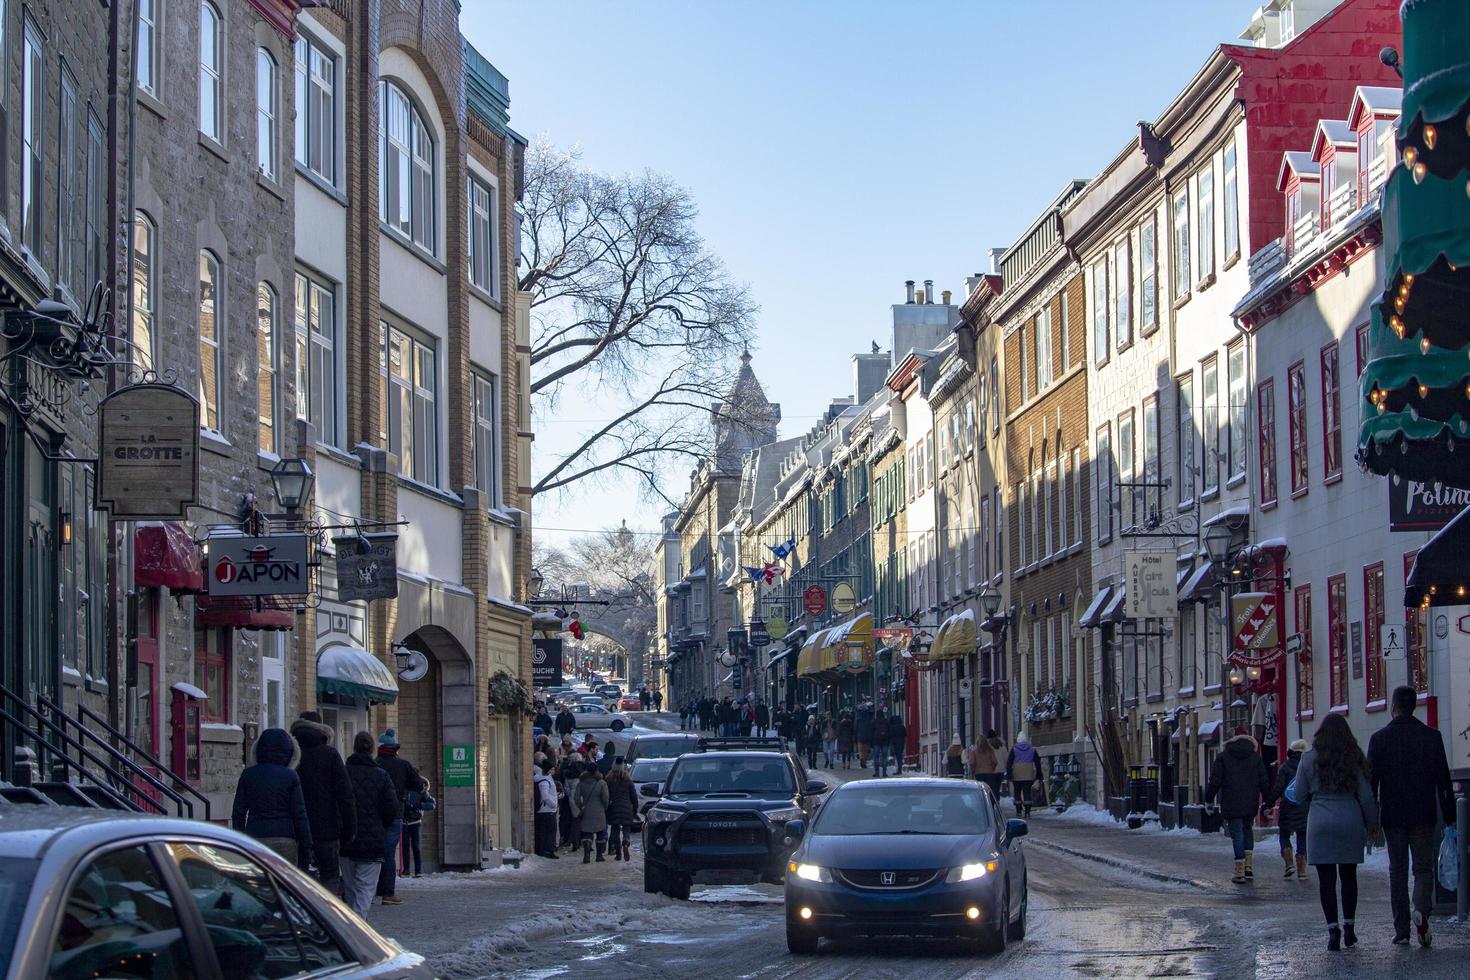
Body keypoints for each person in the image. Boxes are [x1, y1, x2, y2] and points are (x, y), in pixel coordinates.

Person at [1367, 685, 1456, 947]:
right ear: (1414, 706)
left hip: (1393, 815)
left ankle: (1402, 928)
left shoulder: (1380, 739)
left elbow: (1372, 783)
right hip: (1423, 813)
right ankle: (1422, 910)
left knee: (1397, 871)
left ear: (1393, 707)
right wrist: (1450, 816)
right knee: (1422, 868)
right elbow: (1443, 781)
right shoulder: (1431, 737)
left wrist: (1371, 819)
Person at [1292, 712, 1379, 951]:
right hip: (1349, 818)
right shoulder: (1354, 757)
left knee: (1326, 881)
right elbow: (1366, 795)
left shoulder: (1308, 759)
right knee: (1349, 876)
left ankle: (1333, 930)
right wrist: (1372, 823)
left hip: (1320, 821)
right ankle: (1350, 926)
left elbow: (1298, 795)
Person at [290, 711, 354, 892]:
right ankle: (326, 915)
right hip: (327, 829)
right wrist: (349, 830)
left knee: (298, 878)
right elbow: (345, 796)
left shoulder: (291, 753)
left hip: (295, 828)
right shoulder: (330, 755)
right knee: (329, 876)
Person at [231, 728, 313, 866]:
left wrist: (240, 838)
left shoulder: (248, 775)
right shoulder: (290, 776)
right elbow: (299, 813)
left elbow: (238, 812)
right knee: (284, 882)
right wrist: (306, 843)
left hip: (255, 836)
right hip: (284, 837)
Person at [340, 731, 400, 915]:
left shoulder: (344, 773)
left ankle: (352, 924)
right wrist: (382, 825)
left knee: (350, 888)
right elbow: (391, 808)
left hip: (347, 838)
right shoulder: (381, 775)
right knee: (366, 888)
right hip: (373, 839)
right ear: (373, 749)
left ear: (354, 747)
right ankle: (358, 927)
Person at [1205, 728, 1271, 884]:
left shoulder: (1223, 757)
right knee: (1248, 829)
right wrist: (1268, 801)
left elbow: (1215, 781)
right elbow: (1264, 780)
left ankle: (1239, 870)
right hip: (1250, 801)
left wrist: (1208, 799)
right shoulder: (1255, 757)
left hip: (1231, 801)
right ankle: (1248, 867)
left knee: (1237, 833)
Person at [375, 730, 424, 906]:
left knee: (374, 852)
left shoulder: (375, 764)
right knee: (388, 852)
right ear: (395, 748)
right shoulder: (403, 765)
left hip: (375, 814)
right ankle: (387, 893)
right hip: (396, 813)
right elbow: (419, 785)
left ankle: (371, 889)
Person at [1266, 739, 1311, 880]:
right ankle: (1302, 870)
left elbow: (1279, 788)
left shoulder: (1285, 767)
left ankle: (1289, 863)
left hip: (1288, 808)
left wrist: (1268, 804)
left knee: (1284, 835)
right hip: (1305, 808)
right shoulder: (1310, 767)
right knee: (1302, 837)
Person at [574, 763, 611, 863]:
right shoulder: (602, 783)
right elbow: (605, 798)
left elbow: (576, 798)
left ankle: (586, 855)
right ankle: (599, 856)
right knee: (600, 834)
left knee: (586, 834)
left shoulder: (581, 783)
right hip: (599, 811)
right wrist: (605, 807)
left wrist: (581, 806)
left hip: (586, 811)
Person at [605, 766, 639, 862]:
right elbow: (634, 796)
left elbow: (606, 796)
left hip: (614, 808)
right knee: (626, 829)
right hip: (626, 808)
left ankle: (618, 854)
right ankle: (626, 840)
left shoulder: (609, 782)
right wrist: (635, 809)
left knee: (615, 830)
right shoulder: (628, 782)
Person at [533, 759, 561, 859]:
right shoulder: (544, 781)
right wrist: (554, 804)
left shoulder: (545, 779)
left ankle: (545, 849)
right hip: (547, 809)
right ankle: (548, 850)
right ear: (549, 770)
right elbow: (545, 796)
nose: (554, 771)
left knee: (547, 831)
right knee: (549, 832)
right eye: (553, 769)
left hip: (548, 809)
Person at [400, 778, 428, 878]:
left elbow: (431, 804)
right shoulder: (403, 789)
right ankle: (406, 870)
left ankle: (418, 871)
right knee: (405, 847)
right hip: (404, 822)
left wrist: (418, 805)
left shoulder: (420, 790)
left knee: (416, 847)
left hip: (415, 822)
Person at [1007, 733, 1040, 816]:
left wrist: (1009, 774)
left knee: (1017, 792)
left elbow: (1009, 763)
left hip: (1017, 773)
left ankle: (1018, 811)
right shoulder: (1032, 749)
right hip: (1028, 773)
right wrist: (1038, 775)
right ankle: (1027, 811)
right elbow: (1037, 762)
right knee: (1027, 792)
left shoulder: (1014, 749)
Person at [557, 751, 585, 852]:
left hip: (572, 799)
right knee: (581, 820)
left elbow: (566, 789)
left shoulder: (567, 772)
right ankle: (582, 841)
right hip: (583, 797)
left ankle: (574, 841)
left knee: (575, 820)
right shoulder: (583, 770)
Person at [970, 730, 1002, 801]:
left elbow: (972, 763)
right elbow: (995, 762)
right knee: (990, 790)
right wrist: (992, 768)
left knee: (980, 790)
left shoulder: (974, 752)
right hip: (990, 773)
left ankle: (982, 803)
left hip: (978, 773)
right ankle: (991, 804)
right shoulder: (990, 750)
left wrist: (973, 770)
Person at [871, 711, 891, 777]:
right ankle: (884, 772)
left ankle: (877, 772)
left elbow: (871, 732)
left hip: (876, 742)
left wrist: (872, 742)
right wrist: (888, 741)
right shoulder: (886, 721)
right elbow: (889, 731)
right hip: (885, 741)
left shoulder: (874, 722)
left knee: (876, 757)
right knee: (884, 757)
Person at [886, 712, 907, 776]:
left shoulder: (892, 727)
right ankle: (899, 769)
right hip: (901, 743)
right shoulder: (902, 727)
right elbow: (905, 734)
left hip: (895, 743)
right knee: (899, 757)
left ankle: (898, 770)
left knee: (897, 757)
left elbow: (890, 735)